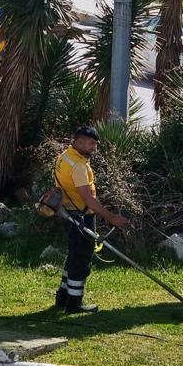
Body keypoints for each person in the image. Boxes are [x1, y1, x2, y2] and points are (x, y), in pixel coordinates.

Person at [52, 126, 127, 314]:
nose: (94, 148)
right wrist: (111, 217)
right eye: (92, 143)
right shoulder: (78, 166)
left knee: (73, 256)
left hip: (69, 213)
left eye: (95, 144)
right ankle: (74, 305)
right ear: (79, 142)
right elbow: (88, 199)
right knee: (81, 261)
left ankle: (62, 297)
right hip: (81, 216)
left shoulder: (64, 156)